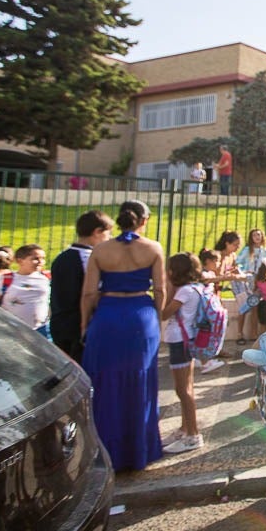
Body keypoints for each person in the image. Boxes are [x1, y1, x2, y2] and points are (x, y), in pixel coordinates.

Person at [81, 200, 166, 471]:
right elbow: (161, 291)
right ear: (143, 220)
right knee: (140, 382)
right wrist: (157, 318)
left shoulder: (100, 249)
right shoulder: (153, 248)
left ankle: (105, 450)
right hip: (141, 315)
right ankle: (138, 451)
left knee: (104, 382)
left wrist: (85, 323)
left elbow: (89, 293)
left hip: (108, 315)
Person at [158, 252, 207, 454]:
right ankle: (185, 428)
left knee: (183, 390)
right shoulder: (195, 288)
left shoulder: (184, 292)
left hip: (180, 341)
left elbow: (163, 313)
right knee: (187, 387)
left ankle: (193, 434)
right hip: (187, 339)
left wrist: (167, 289)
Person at [50, 210, 113, 362]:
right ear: (97, 232)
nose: (109, 238)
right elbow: (92, 293)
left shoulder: (61, 257)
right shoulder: (89, 258)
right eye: (108, 233)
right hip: (79, 325)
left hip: (59, 323)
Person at [0, 244, 52, 337]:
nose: (40, 262)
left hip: (42, 329)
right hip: (12, 328)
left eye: (43, 258)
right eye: (35, 258)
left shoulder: (47, 277)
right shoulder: (6, 278)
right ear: (20, 261)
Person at [235, 229, 266, 344]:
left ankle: (254, 333)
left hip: (259, 281)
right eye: (254, 235)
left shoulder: (265, 251)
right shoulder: (247, 250)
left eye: (259, 235)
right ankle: (239, 333)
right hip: (248, 281)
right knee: (245, 307)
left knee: (255, 306)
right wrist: (244, 272)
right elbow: (238, 263)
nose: (257, 237)